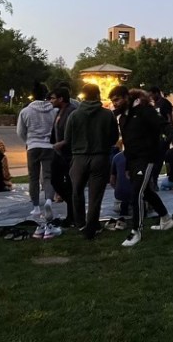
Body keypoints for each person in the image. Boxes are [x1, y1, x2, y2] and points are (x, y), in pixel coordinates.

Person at [109, 86, 173, 248]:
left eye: (117, 99)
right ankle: (166, 219)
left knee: (136, 193)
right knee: (145, 192)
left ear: (126, 97)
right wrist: (127, 167)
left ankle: (136, 231)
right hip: (133, 161)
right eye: (112, 101)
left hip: (147, 158)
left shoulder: (145, 110)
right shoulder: (123, 118)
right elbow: (128, 144)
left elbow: (163, 124)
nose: (114, 104)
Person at [65, 83, 119, 239]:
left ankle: (80, 223)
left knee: (77, 192)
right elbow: (114, 137)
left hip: (79, 158)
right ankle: (92, 225)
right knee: (95, 195)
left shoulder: (74, 115)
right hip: (100, 157)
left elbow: (68, 139)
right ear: (97, 95)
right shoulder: (107, 114)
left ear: (83, 96)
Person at [16, 82, 56, 216]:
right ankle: (49, 200)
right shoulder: (54, 110)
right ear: (46, 94)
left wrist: (28, 140)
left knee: (33, 177)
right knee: (48, 176)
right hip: (49, 147)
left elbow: (20, 131)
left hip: (33, 146)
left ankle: (35, 206)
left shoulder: (26, 111)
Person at [50, 86, 77, 226]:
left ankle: (72, 215)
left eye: (53, 98)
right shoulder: (60, 111)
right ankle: (71, 208)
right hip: (59, 153)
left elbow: (74, 133)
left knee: (70, 185)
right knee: (55, 180)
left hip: (69, 154)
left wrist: (63, 143)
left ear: (61, 99)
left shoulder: (72, 111)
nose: (51, 101)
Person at [148, 86, 173, 190]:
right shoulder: (155, 104)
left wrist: (170, 134)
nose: (150, 97)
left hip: (164, 136)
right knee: (156, 159)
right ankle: (153, 180)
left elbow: (169, 118)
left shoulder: (165, 103)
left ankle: (156, 180)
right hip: (156, 136)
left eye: (151, 94)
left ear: (157, 93)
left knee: (161, 159)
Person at [109, 150, 133, 231]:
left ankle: (123, 206)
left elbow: (112, 181)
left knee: (117, 207)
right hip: (136, 194)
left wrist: (118, 188)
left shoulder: (116, 157)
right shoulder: (141, 157)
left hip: (120, 197)